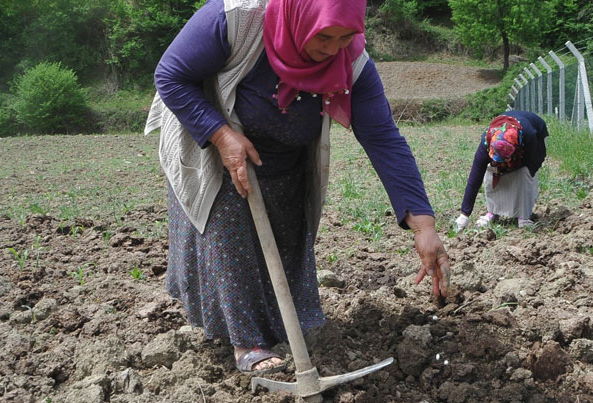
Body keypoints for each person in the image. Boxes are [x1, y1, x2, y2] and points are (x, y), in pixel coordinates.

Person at [145, 0, 450, 374]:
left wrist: (424, 226)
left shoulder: (350, 60)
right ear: (300, 18)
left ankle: (283, 328)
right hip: (215, 142)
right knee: (230, 240)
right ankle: (247, 343)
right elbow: (171, 76)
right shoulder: (234, 18)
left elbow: (383, 138)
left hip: (286, 159)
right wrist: (221, 137)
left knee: (287, 241)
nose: (333, 49)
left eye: (345, 36)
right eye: (324, 36)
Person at [455, 110, 548, 232]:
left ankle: (524, 216)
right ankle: (493, 211)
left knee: (524, 172)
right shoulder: (486, 144)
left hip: (536, 132)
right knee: (492, 171)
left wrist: (517, 169)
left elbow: (535, 162)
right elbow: (474, 179)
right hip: (513, 138)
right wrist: (464, 215)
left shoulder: (529, 136)